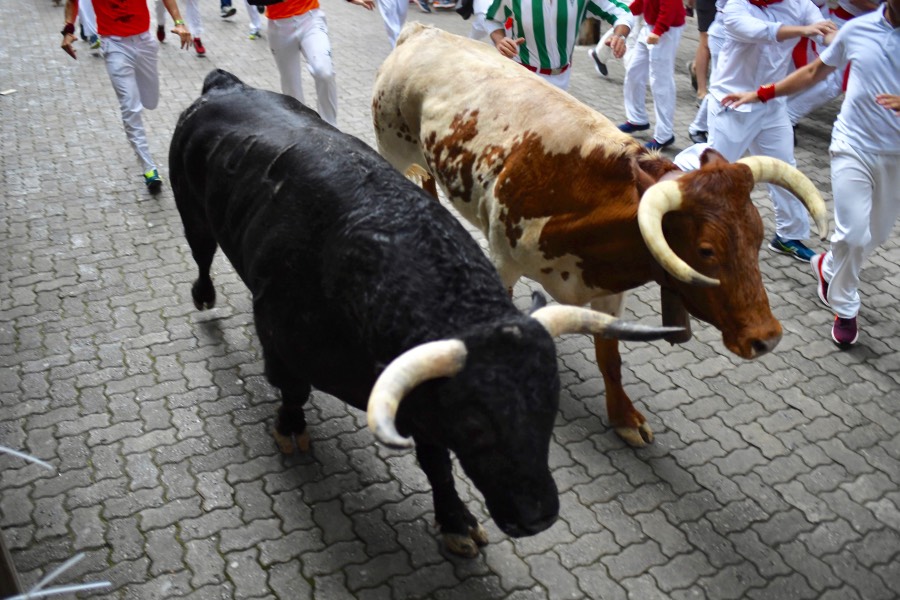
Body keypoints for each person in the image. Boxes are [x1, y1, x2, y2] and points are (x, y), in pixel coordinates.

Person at [721, 0, 899, 347]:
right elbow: (814, 72)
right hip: (853, 146)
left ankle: (828, 267)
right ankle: (845, 307)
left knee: (875, 235)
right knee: (852, 234)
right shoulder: (858, 29)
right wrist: (760, 94)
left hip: (896, 155)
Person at [705, 0, 837, 261]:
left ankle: (789, 236)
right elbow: (763, 31)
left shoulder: (798, 3)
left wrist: (843, 41)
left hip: (771, 105)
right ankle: (699, 230)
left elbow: (827, 33)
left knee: (785, 169)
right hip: (732, 104)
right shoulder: (735, 7)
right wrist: (804, 30)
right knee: (715, 175)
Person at [60, 0, 192, 193]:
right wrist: (68, 30)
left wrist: (179, 22)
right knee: (130, 107)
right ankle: (149, 169)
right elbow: (73, 2)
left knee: (150, 101)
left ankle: (146, 156)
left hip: (144, 42)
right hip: (114, 46)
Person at [265, 0, 375, 127]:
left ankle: (330, 127)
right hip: (279, 26)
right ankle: (300, 130)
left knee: (324, 72)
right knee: (291, 85)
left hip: (310, 19)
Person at [485, 0, 633, 91]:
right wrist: (500, 40)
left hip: (562, 81)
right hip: (522, 78)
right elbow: (492, 18)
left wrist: (619, 35)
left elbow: (622, 13)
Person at [617, 0, 686, 150]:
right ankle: (637, 119)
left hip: (666, 30)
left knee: (661, 81)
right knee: (634, 72)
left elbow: (670, 6)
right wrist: (622, 15)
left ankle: (664, 134)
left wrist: (658, 31)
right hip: (650, 27)